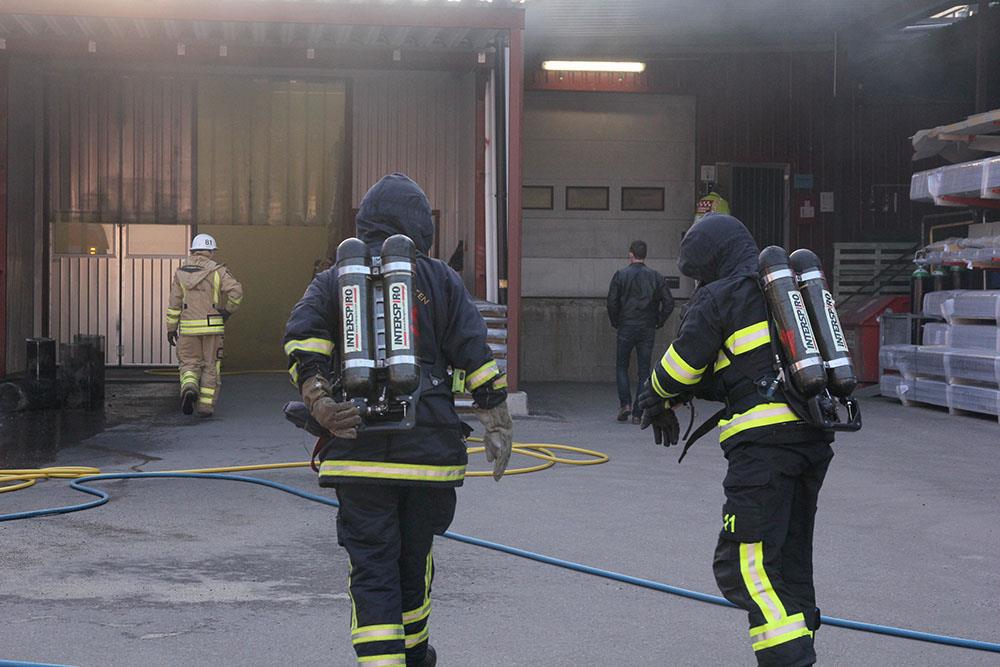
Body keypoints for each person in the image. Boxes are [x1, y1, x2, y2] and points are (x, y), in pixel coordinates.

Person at [282, 173, 513, 667]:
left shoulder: (333, 279)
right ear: (420, 226)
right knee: (414, 563)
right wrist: (497, 420)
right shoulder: (439, 280)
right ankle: (415, 657)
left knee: (372, 572)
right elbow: (476, 354)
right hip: (428, 457)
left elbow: (303, 343)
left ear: (364, 222)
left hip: (357, 449)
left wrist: (320, 400)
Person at [638, 214, 834, 666]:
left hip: (762, 450)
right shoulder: (781, 294)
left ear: (711, 261)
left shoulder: (720, 295)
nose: (699, 282)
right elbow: (742, 371)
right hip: (810, 440)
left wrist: (655, 395)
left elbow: (680, 369)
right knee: (787, 563)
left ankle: (792, 661)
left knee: (743, 567)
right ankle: (800, 645)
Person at [165, 233, 243, 417]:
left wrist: (171, 329)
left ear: (193, 250)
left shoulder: (180, 272)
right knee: (210, 366)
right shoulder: (218, 271)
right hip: (212, 327)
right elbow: (236, 292)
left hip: (188, 328)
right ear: (211, 251)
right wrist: (228, 311)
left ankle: (189, 387)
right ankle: (205, 407)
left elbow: (174, 304)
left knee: (189, 363)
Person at [606, 240, 675, 424]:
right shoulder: (656, 276)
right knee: (644, 370)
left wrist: (616, 322)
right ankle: (638, 412)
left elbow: (612, 302)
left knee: (622, 366)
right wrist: (658, 321)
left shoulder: (620, 275)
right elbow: (669, 302)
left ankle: (625, 404)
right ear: (645, 255)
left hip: (626, 325)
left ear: (631, 254)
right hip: (647, 327)